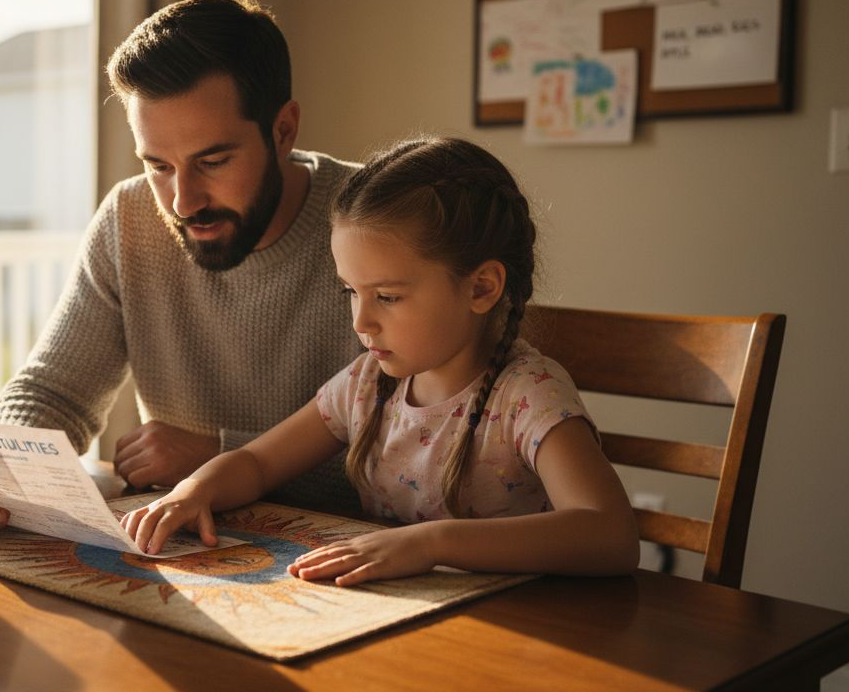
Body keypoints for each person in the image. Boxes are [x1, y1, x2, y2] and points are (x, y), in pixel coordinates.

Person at [0, 0, 365, 535]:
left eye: (213, 161)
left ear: (284, 130)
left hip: (355, 554)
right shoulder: (129, 217)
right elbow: (53, 392)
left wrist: (217, 456)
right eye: (158, 166)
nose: (183, 203)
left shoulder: (377, 223)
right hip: (174, 548)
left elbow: (417, 459)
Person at [121, 137, 640, 585]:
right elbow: (258, 463)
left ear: (481, 287)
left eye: (387, 297)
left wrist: (431, 544)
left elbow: (610, 534)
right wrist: (193, 491)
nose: (361, 321)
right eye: (351, 291)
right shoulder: (368, 384)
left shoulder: (529, 395)